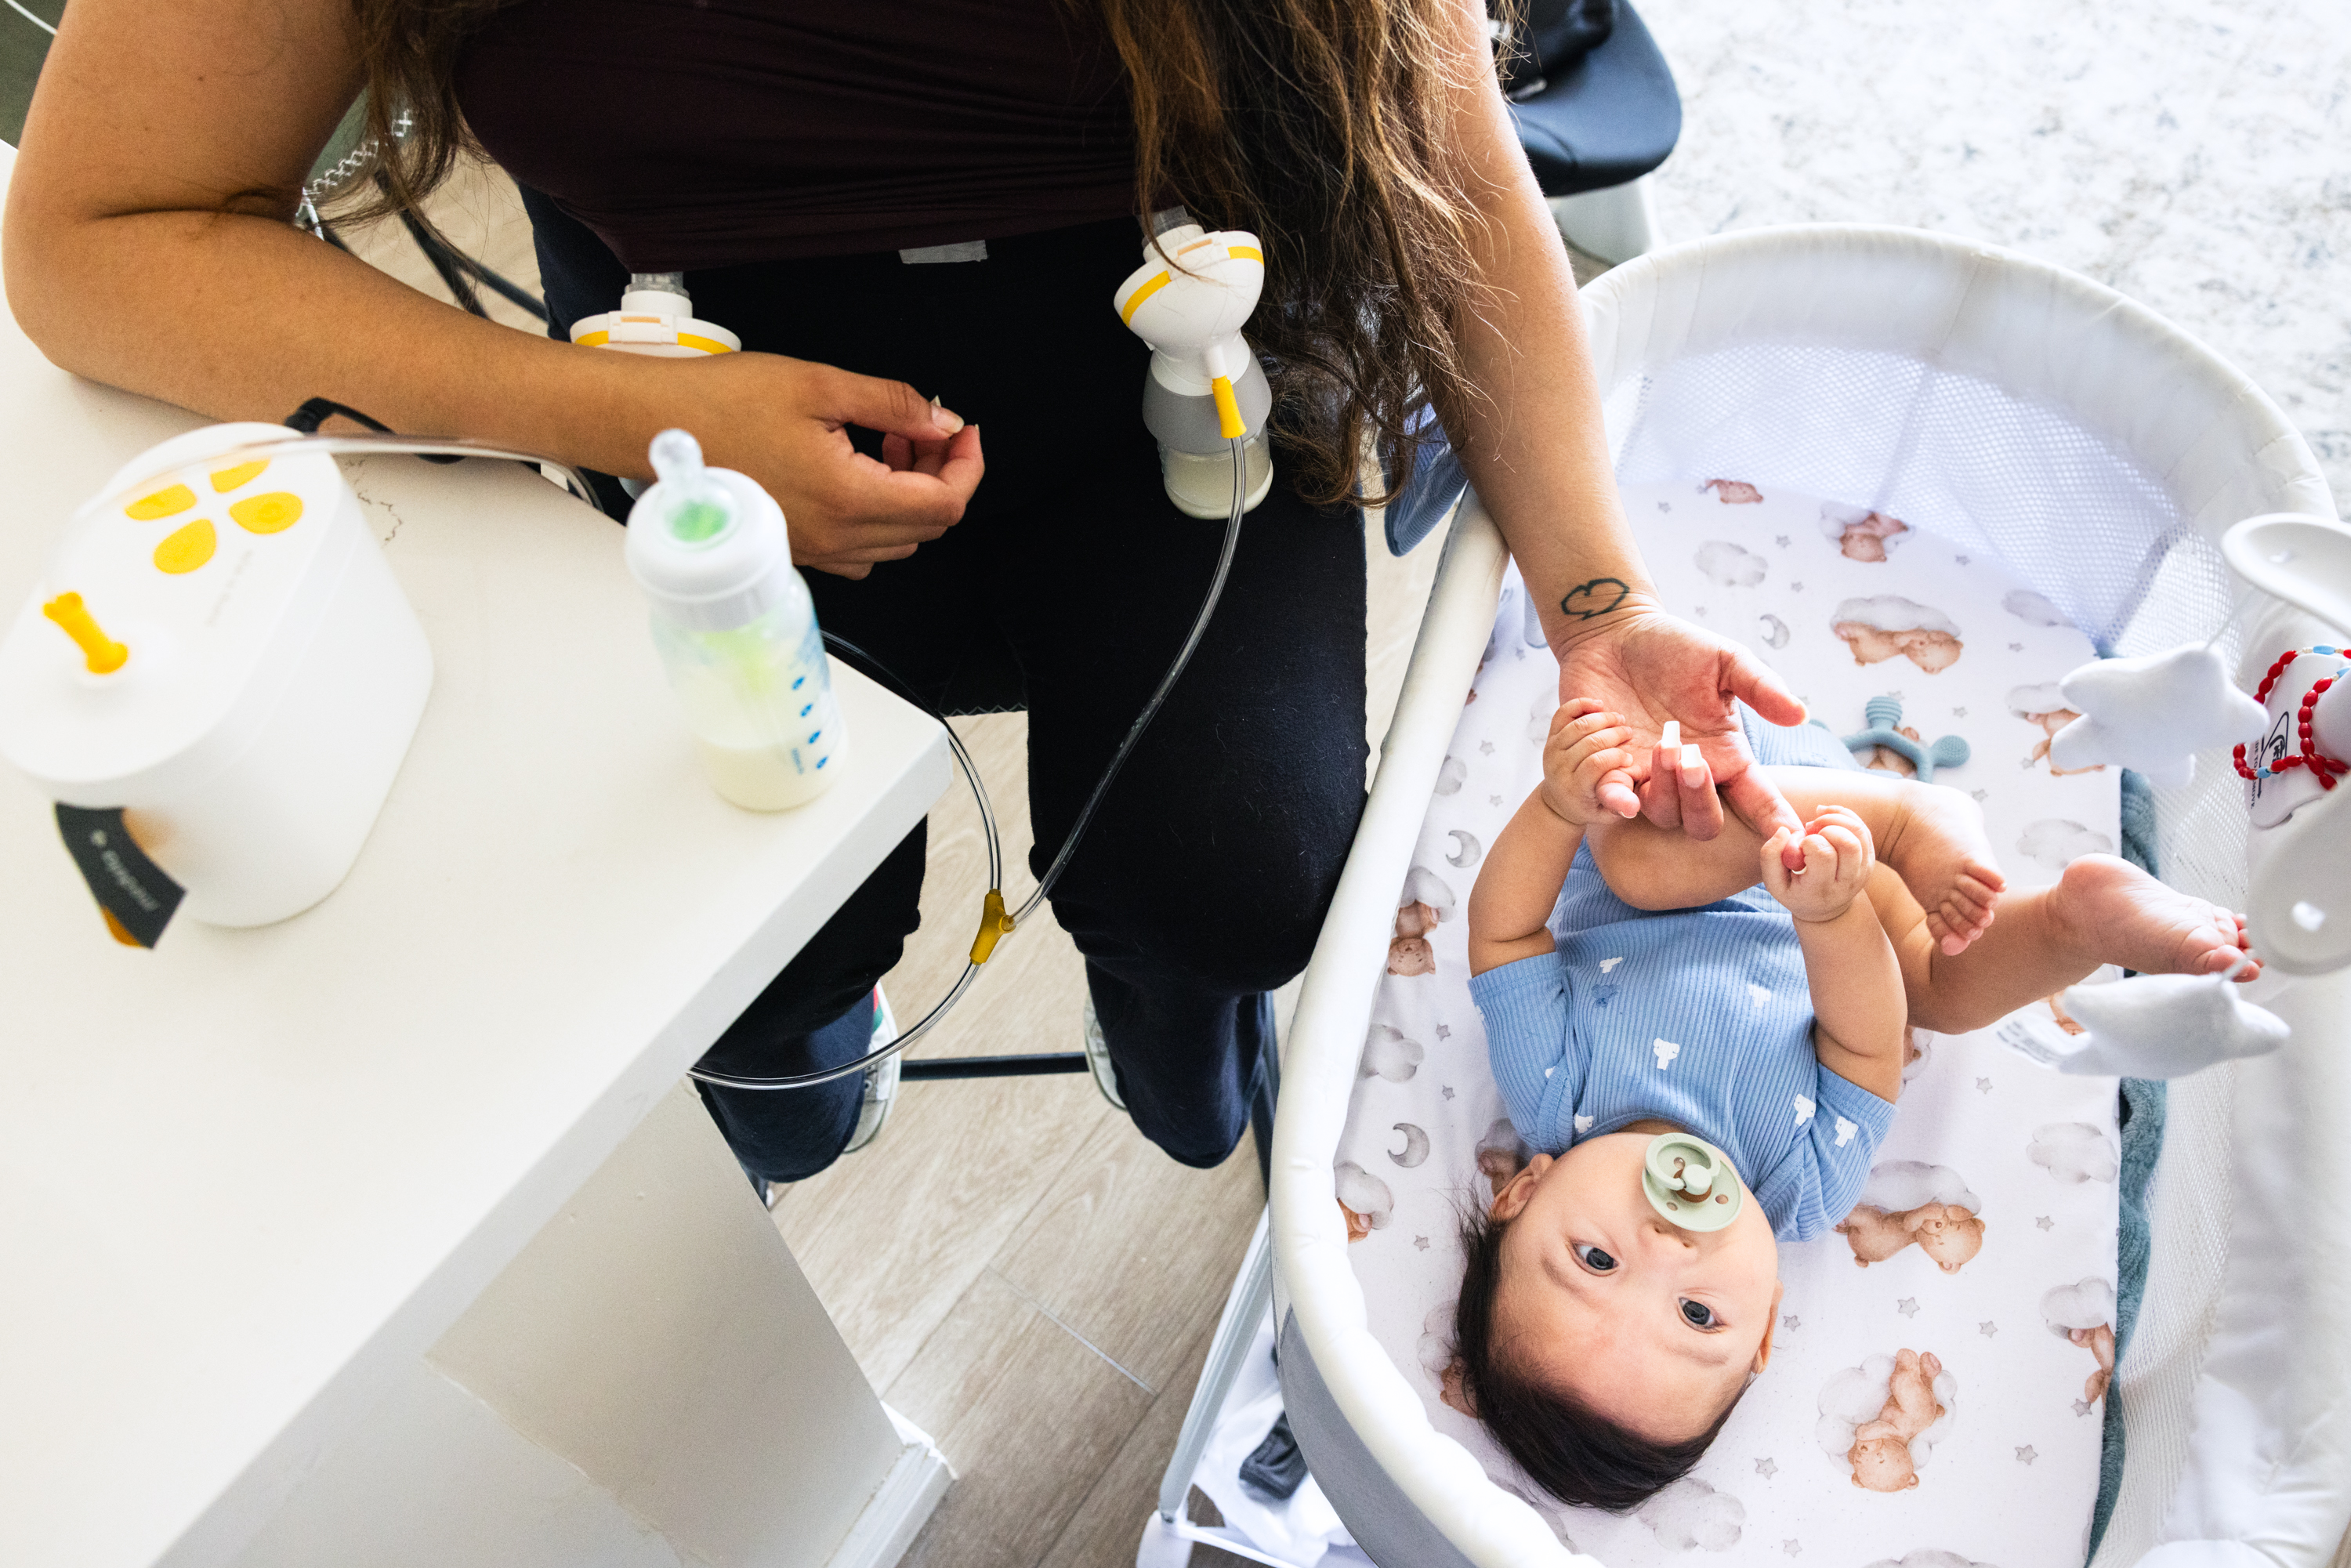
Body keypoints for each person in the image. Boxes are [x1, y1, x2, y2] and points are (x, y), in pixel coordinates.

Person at [9, 0, 1817, 1188]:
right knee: (726, 970)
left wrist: (1592, 597)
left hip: (1168, 393)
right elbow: (93, 236)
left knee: (1237, 871)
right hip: (691, 412)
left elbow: (1427, 130)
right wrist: (618, 411)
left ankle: (1166, 1002)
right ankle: (822, 1037)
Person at [1452, 698, 2259, 1508]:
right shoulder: (1803, 1189)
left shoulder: (1556, 1091)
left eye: (1598, 1261)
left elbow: (1506, 933)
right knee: (1942, 988)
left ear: (1522, 1194)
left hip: (1704, 792)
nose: (1667, 1245)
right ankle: (2081, 921)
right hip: (1835, 882)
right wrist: (1831, 915)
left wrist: (1558, 805)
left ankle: (1909, 817)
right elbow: (1867, 1045)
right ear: (1765, 1323)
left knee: (1638, 867)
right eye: (1698, 1313)